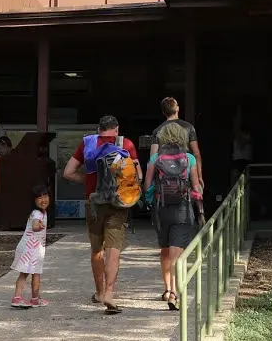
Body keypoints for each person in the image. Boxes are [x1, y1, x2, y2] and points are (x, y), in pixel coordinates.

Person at [63, 115, 136, 314]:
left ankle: (99, 292)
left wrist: (89, 182)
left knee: (97, 250)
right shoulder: (126, 144)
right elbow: (135, 175)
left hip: (93, 202)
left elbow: (68, 172)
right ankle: (110, 293)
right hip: (118, 203)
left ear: (99, 129)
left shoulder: (87, 144)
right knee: (113, 249)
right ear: (116, 129)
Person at [146, 118, 203, 310]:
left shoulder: (155, 158)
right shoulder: (189, 158)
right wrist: (198, 201)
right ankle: (174, 293)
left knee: (165, 251)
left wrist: (150, 201)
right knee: (176, 254)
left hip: (161, 210)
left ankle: (167, 289)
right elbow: (196, 188)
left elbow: (147, 187)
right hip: (182, 210)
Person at [10, 189, 52, 308]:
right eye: (39, 198)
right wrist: (38, 227)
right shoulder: (37, 213)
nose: (43, 200)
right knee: (33, 273)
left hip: (31, 248)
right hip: (32, 249)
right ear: (34, 201)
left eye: (45, 196)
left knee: (27, 273)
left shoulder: (40, 212)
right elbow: (34, 226)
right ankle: (30, 299)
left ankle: (25, 298)